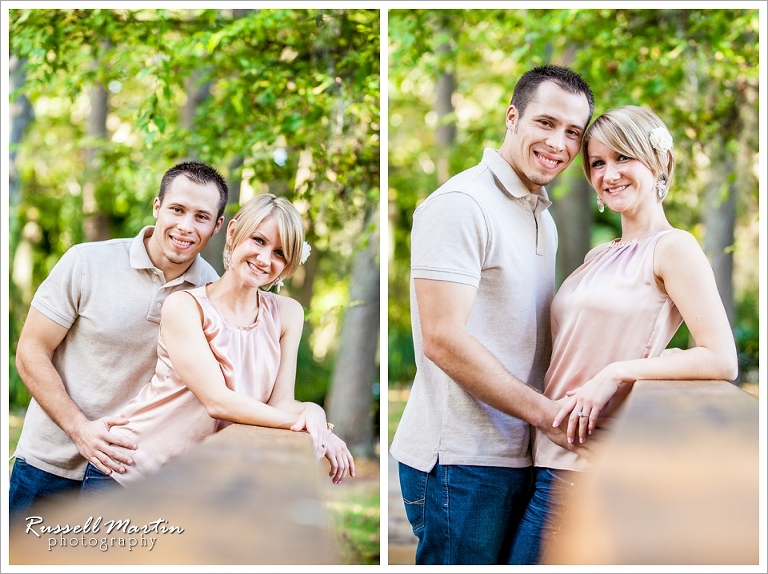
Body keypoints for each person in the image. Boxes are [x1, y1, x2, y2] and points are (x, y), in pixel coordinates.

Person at [508, 105, 738, 564]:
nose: (608, 174)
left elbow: (721, 358)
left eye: (622, 158)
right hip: (544, 456)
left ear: (657, 163)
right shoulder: (599, 253)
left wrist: (617, 373)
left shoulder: (674, 249)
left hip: (586, 467)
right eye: (597, 163)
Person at [389, 65, 595, 565]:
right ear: (511, 116)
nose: (559, 143)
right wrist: (547, 415)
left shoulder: (539, 215)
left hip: (518, 453)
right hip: (463, 461)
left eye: (573, 132)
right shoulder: (462, 204)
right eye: (546, 123)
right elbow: (442, 338)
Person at [80, 194, 355, 497]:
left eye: (279, 252)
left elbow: (280, 404)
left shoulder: (288, 314)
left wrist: (314, 414)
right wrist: (315, 429)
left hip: (194, 485)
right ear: (234, 232)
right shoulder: (184, 306)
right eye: (259, 241)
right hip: (129, 470)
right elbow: (217, 401)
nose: (265, 259)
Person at [10, 161, 228, 518]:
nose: (186, 226)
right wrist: (80, 429)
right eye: (177, 209)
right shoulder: (87, 262)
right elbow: (31, 351)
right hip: (48, 465)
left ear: (217, 225)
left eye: (201, 217)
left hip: (128, 476)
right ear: (157, 207)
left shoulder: (212, 293)